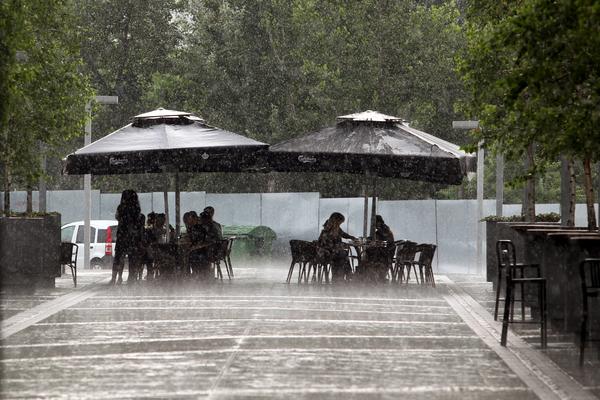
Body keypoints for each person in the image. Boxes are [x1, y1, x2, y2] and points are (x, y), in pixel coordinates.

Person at [111, 190, 144, 285]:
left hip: (122, 236)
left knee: (118, 258)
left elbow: (117, 217)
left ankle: (115, 278)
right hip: (133, 238)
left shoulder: (121, 208)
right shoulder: (136, 209)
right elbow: (138, 224)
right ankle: (131, 278)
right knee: (132, 259)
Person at [317, 212, 356, 283]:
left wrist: (351, 237)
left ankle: (339, 277)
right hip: (326, 253)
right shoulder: (327, 230)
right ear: (336, 221)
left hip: (332, 252)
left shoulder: (336, 228)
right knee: (343, 255)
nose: (340, 225)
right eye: (339, 223)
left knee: (343, 255)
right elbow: (329, 245)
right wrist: (341, 245)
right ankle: (343, 276)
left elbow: (343, 234)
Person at [364, 215, 396, 282]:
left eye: (374, 222)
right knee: (369, 251)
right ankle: (372, 274)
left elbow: (384, 237)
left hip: (387, 252)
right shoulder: (381, 229)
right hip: (383, 250)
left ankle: (374, 274)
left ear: (378, 222)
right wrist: (368, 239)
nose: (373, 224)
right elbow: (375, 237)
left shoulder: (384, 228)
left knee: (370, 253)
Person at [188, 211, 217, 280]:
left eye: (200, 219)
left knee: (190, 255)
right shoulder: (207, 227)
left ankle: (197, 274)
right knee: (191, 254)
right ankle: (198, 274)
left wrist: (195, 247)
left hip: (209, 252)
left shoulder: (207, 228)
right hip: (209, 251)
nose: (199, 220)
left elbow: (208, 242)